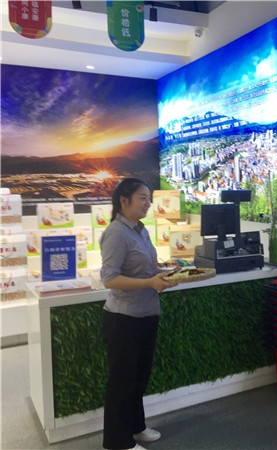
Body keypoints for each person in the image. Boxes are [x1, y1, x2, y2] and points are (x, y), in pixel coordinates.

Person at [100, 178, 180, 450]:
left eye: (149, 198)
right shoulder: (116, 233)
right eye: (142, 198)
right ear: (124, 201)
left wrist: (165, 274)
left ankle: (136, 427)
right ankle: (118, 442)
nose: (148, 204)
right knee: (122, 383)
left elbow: (146, 270)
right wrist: (149, 282)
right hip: (123, 319)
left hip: (146, 315)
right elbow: (109, 279)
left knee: (138, 379)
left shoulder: (140, 230)